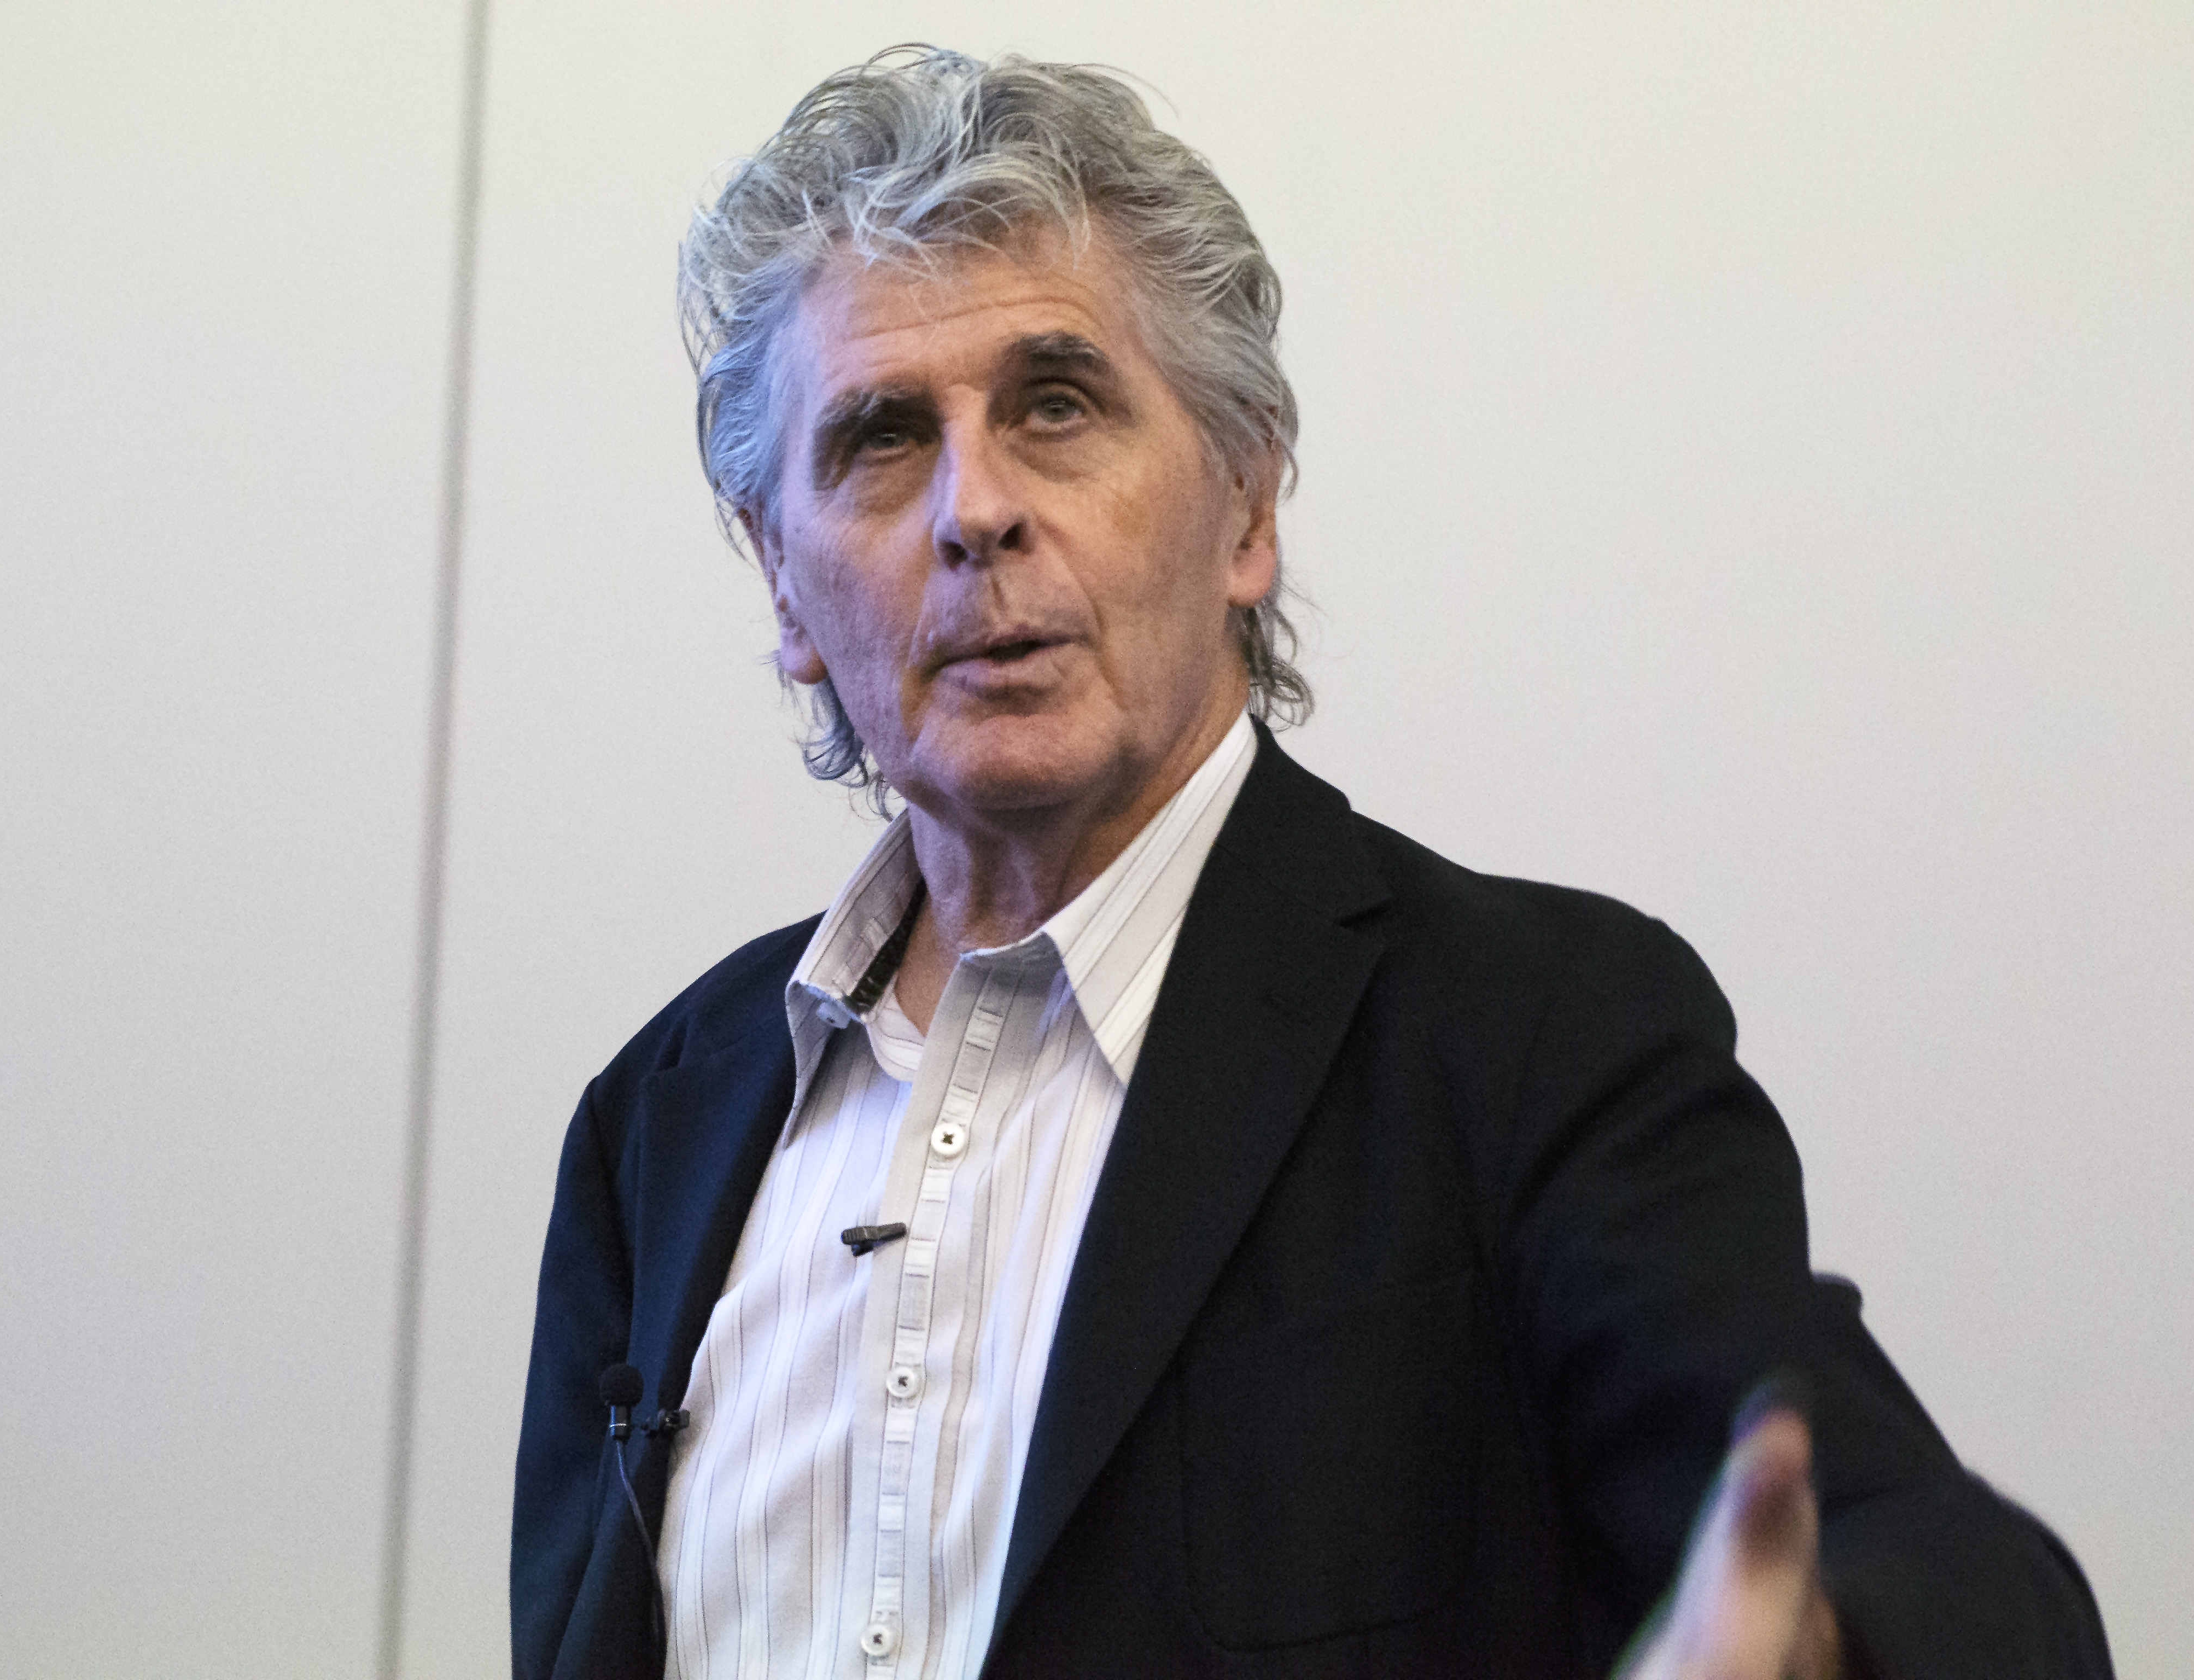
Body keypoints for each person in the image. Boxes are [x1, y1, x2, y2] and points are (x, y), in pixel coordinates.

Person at [512, 46, 2110, 1680]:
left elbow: (1945, 1574)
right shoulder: (657, 1127)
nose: (974, 509)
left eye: (1056, 405)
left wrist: (1819, 1649)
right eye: (881, 438)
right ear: (785, 585)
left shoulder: (1534, 1040)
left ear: (1248, 505)